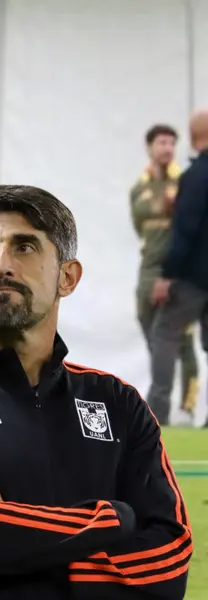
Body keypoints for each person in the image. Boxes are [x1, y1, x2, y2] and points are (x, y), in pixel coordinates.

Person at [0, 184, 191, 599]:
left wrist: (6, 526)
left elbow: (168, 561)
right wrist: (111, 519)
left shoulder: (118, 402)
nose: (1, 266)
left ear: (67, 277)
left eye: (24, 247)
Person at [144, 113, 208, 427]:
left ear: (193, 135)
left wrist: (167, 276)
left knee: (165, 335)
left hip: (193, 277)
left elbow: (185, 230)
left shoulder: (196, 175)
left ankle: (157, 414)